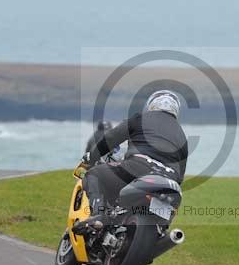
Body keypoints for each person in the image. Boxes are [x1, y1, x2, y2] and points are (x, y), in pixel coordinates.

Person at [76, 90, 188, 233]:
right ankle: (160, 233)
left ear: (152, 105)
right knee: (163, 226)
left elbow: (111, 139)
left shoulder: (140, 119)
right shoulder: (182, 136)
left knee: (93, 175)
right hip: (169, 181)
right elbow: (181, 175)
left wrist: (91, 158)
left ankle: (98, 215)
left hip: (139, 167)